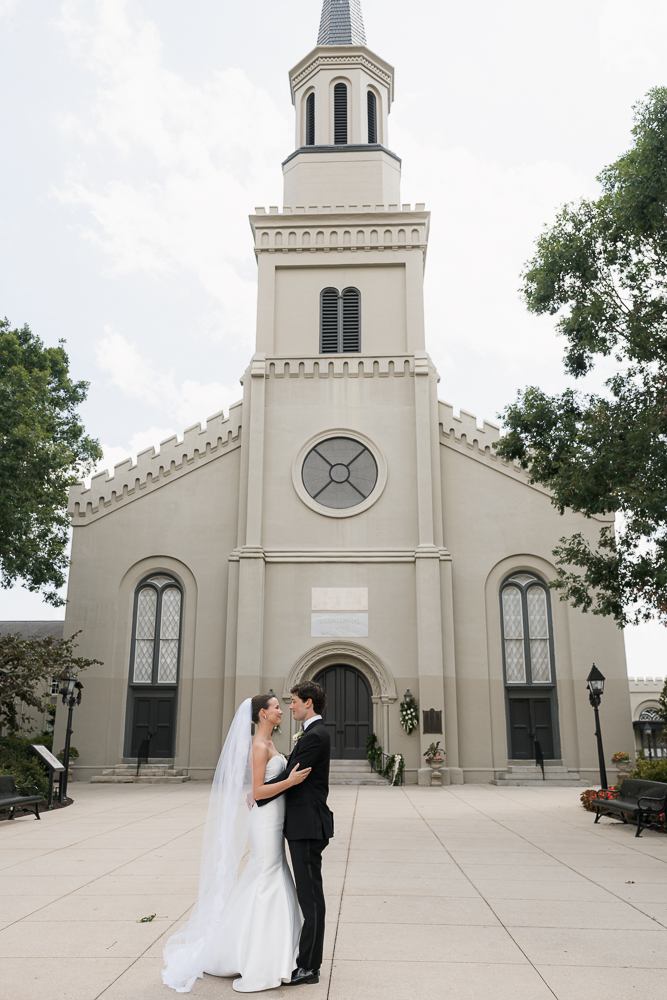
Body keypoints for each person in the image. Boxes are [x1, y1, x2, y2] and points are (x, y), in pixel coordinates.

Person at [162, 694, 311, 993]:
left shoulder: (269, 743)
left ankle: (278, 947)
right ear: (262, 714)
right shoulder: (258, 745)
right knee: (265, 876)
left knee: (273, 875)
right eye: (276, 708)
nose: (281, 710)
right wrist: (291, 782)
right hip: (265, 821)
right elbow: (257, 791)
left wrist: (278, 784)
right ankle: (256, 954)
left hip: (274, 818)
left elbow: (264, 785)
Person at [257, 680, 334, 987]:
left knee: (311, 898)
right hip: (302, 824)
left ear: (308, 704)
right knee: (309, 895)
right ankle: (307, 962)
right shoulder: (311, 733)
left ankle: (309, 967)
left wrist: (262, 792)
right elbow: (291, 770)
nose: (290, 706)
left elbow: (292, 776)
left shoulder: (316, 736)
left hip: (307, 826)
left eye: (294, 701)